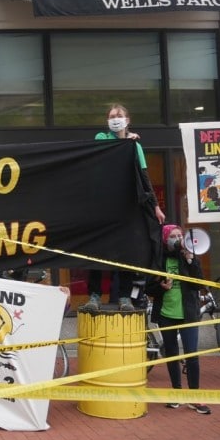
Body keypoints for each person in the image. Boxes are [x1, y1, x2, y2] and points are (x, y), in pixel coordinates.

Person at [79, 104, 165, 312]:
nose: (115, 119)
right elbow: (102, 156)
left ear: (127, 119)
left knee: (127, 251)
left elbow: (144, 176)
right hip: (102, 206)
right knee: (98, 252)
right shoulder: (102, 138)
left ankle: (125, 297)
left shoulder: (136, 147)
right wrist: (126, 141)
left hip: (127, 207)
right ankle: (95, 295)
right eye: (112, 116)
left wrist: (155, 206)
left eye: (119, 116)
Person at [145, 224, 210, 415]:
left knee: (192, 355)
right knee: (172, 354)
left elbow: (199, 282)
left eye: (180, 235)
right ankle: (176, 391)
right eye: (173, 236)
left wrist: (191, 261)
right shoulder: (159, 259)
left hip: (188, 314)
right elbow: (149, 287)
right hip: (167, 314)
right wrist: (162, 288)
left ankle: (194, 396)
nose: (178, 238)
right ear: (166, 239)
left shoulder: (188, 256)